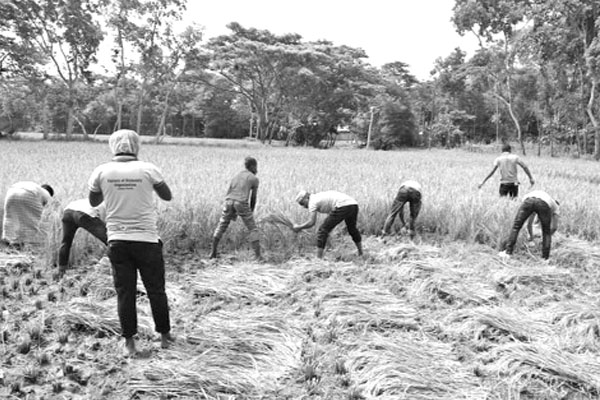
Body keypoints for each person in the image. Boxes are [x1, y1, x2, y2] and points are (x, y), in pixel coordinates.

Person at [88, 129, 174, 356]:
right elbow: (167, 196)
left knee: (125, 292)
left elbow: (93, 200)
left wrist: (114, 188)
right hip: (147, 240)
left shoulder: (101, 171)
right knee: (156, 290)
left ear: (112, 146)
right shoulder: (148, 169)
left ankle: (129, 343)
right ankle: (164, 337)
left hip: (117, 241)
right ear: (136, 146)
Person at [210, 156, 262, 261]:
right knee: (253, 229)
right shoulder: (254, 178)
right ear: (252, 166)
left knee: (221, 225)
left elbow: (229, 191)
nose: (257, 170)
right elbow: (253, 197)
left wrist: (232, 211)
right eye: (256, 167)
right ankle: (258, 257)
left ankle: (213, 253)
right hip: (241, 202)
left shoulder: (236, 176)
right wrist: (250, 212)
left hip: (228, 201)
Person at [293, 190, 363, 259]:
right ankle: (361, 253)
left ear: (307, 197)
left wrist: (299, 227)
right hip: (353, 204)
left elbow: (312, 222)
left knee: (322, 230)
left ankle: (318, 259)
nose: (304, 206)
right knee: (352, 228)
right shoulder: (318, 196)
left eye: (302, 203)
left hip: (342, 205)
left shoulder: (312, 202)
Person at [500, 190, 559, 260]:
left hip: (528, 201)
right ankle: (545, 258)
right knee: (546, 232)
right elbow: (554, 227)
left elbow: (529, 224)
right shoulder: (555, 206)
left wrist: (531, 238)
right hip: (543, 204)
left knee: (516, 227)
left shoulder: (544, 197)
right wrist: (545, 238)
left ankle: (508, 252)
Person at [57, 198, 107, 276]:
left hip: (68, 212)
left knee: (66, 242)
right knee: (111, 240)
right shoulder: (109, 204)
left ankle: (61, 272)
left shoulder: (93, 199)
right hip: (84, 214)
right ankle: (118, 266)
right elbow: (104, 222)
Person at [1, 181, 54, 248]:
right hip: (29, 195)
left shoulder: (36, 188)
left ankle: (8, 242)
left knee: (10, 218)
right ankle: (28, 245)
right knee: (33, 221)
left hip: (11, 192)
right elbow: (48, 215)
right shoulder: (47, 194)